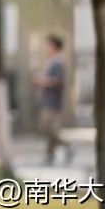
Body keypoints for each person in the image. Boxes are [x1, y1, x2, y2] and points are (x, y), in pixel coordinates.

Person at [34, 34, 73, 165]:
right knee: (50, 130)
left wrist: (43, 81)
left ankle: (66, 146)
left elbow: (58, 81)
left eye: (48, 44)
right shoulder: (51, 61)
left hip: (53, 101)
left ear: (53, 46)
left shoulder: (58, 62)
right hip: (48, 99)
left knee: (46, 128)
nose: (45, 47)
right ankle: (49, 156)